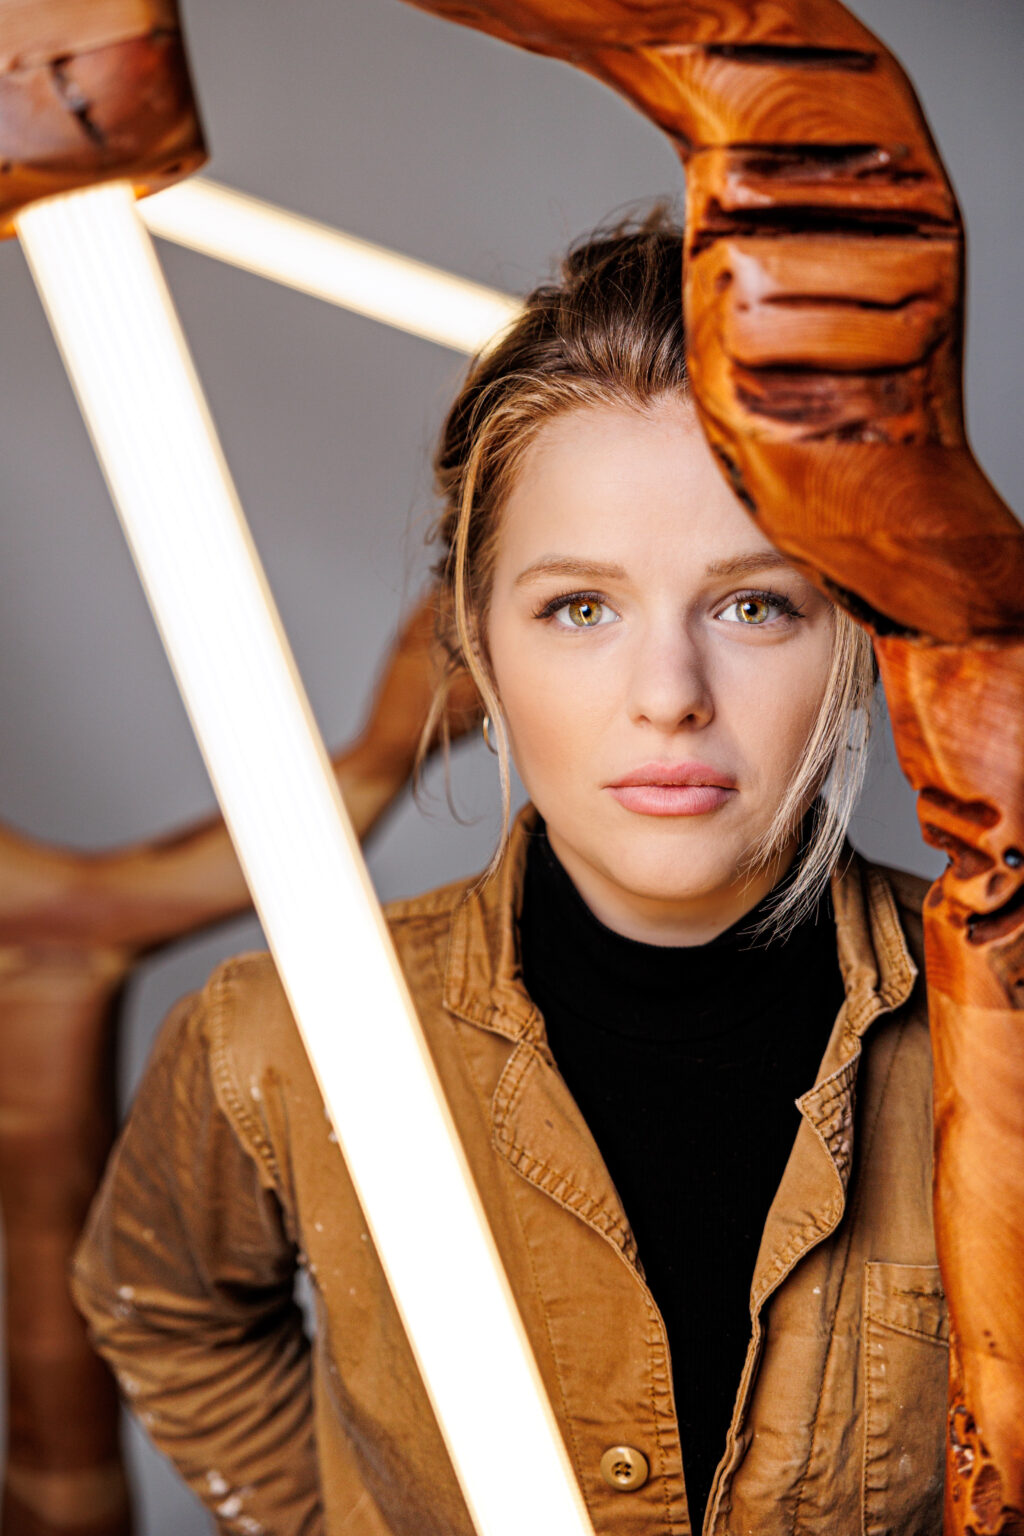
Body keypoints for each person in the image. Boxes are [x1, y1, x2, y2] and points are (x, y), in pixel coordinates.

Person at [71, 213, 947, 1536]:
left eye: (757, 603)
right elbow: (164, 1310)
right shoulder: (280, 1044)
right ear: (473, 646)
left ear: (859, 634)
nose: (668, 696)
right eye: (579, 609)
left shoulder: (991, 1033)